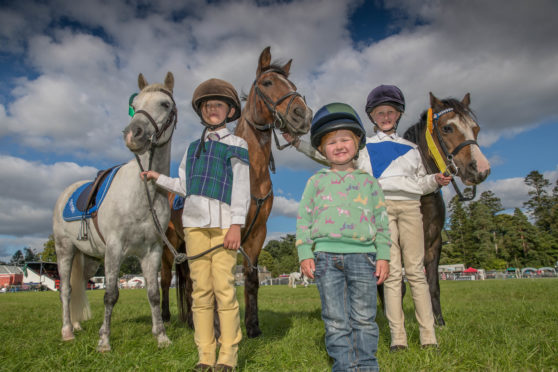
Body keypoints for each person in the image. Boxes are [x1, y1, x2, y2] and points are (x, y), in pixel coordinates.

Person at [287, 85, 451, 351]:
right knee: (392, 274)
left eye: (390, 112)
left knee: (417, 272)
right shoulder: (363, 148)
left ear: (398, 114)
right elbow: (328, 152)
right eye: (379, 113)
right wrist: (296, 143)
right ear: (372, 116)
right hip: (380, 207)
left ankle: (428, 334)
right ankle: (398, 337)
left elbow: (420, 183)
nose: (385, 117)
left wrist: (436, 180)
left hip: (410, 207)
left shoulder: (412, 148)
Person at [141, 78, 249, 372]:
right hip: (194, 227)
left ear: (229, 111)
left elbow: (241, 188)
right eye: (207, 105)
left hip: (225, 227)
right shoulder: (191, 149)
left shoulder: (238, 144)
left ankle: (228, 354)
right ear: (201, 111)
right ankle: (205, 354)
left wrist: (236, 225)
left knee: (224, 291)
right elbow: (184, 186)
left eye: (219, 105)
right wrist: (157, 177)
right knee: (200, 291)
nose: (213, 109)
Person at [296, 102, 390, 372]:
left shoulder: (369, 183)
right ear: (321, 149)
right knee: (335, 318)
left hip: (364, 257)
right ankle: (345, 366)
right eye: (331, 142)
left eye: (345, 139)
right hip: (325, 258)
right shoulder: (316, 182)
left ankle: (367, 365)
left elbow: (382, 222)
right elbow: (304, 220)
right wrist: (305, 253)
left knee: (363, 318)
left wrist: (383, 255)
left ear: (357, 142)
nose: (339, 146)